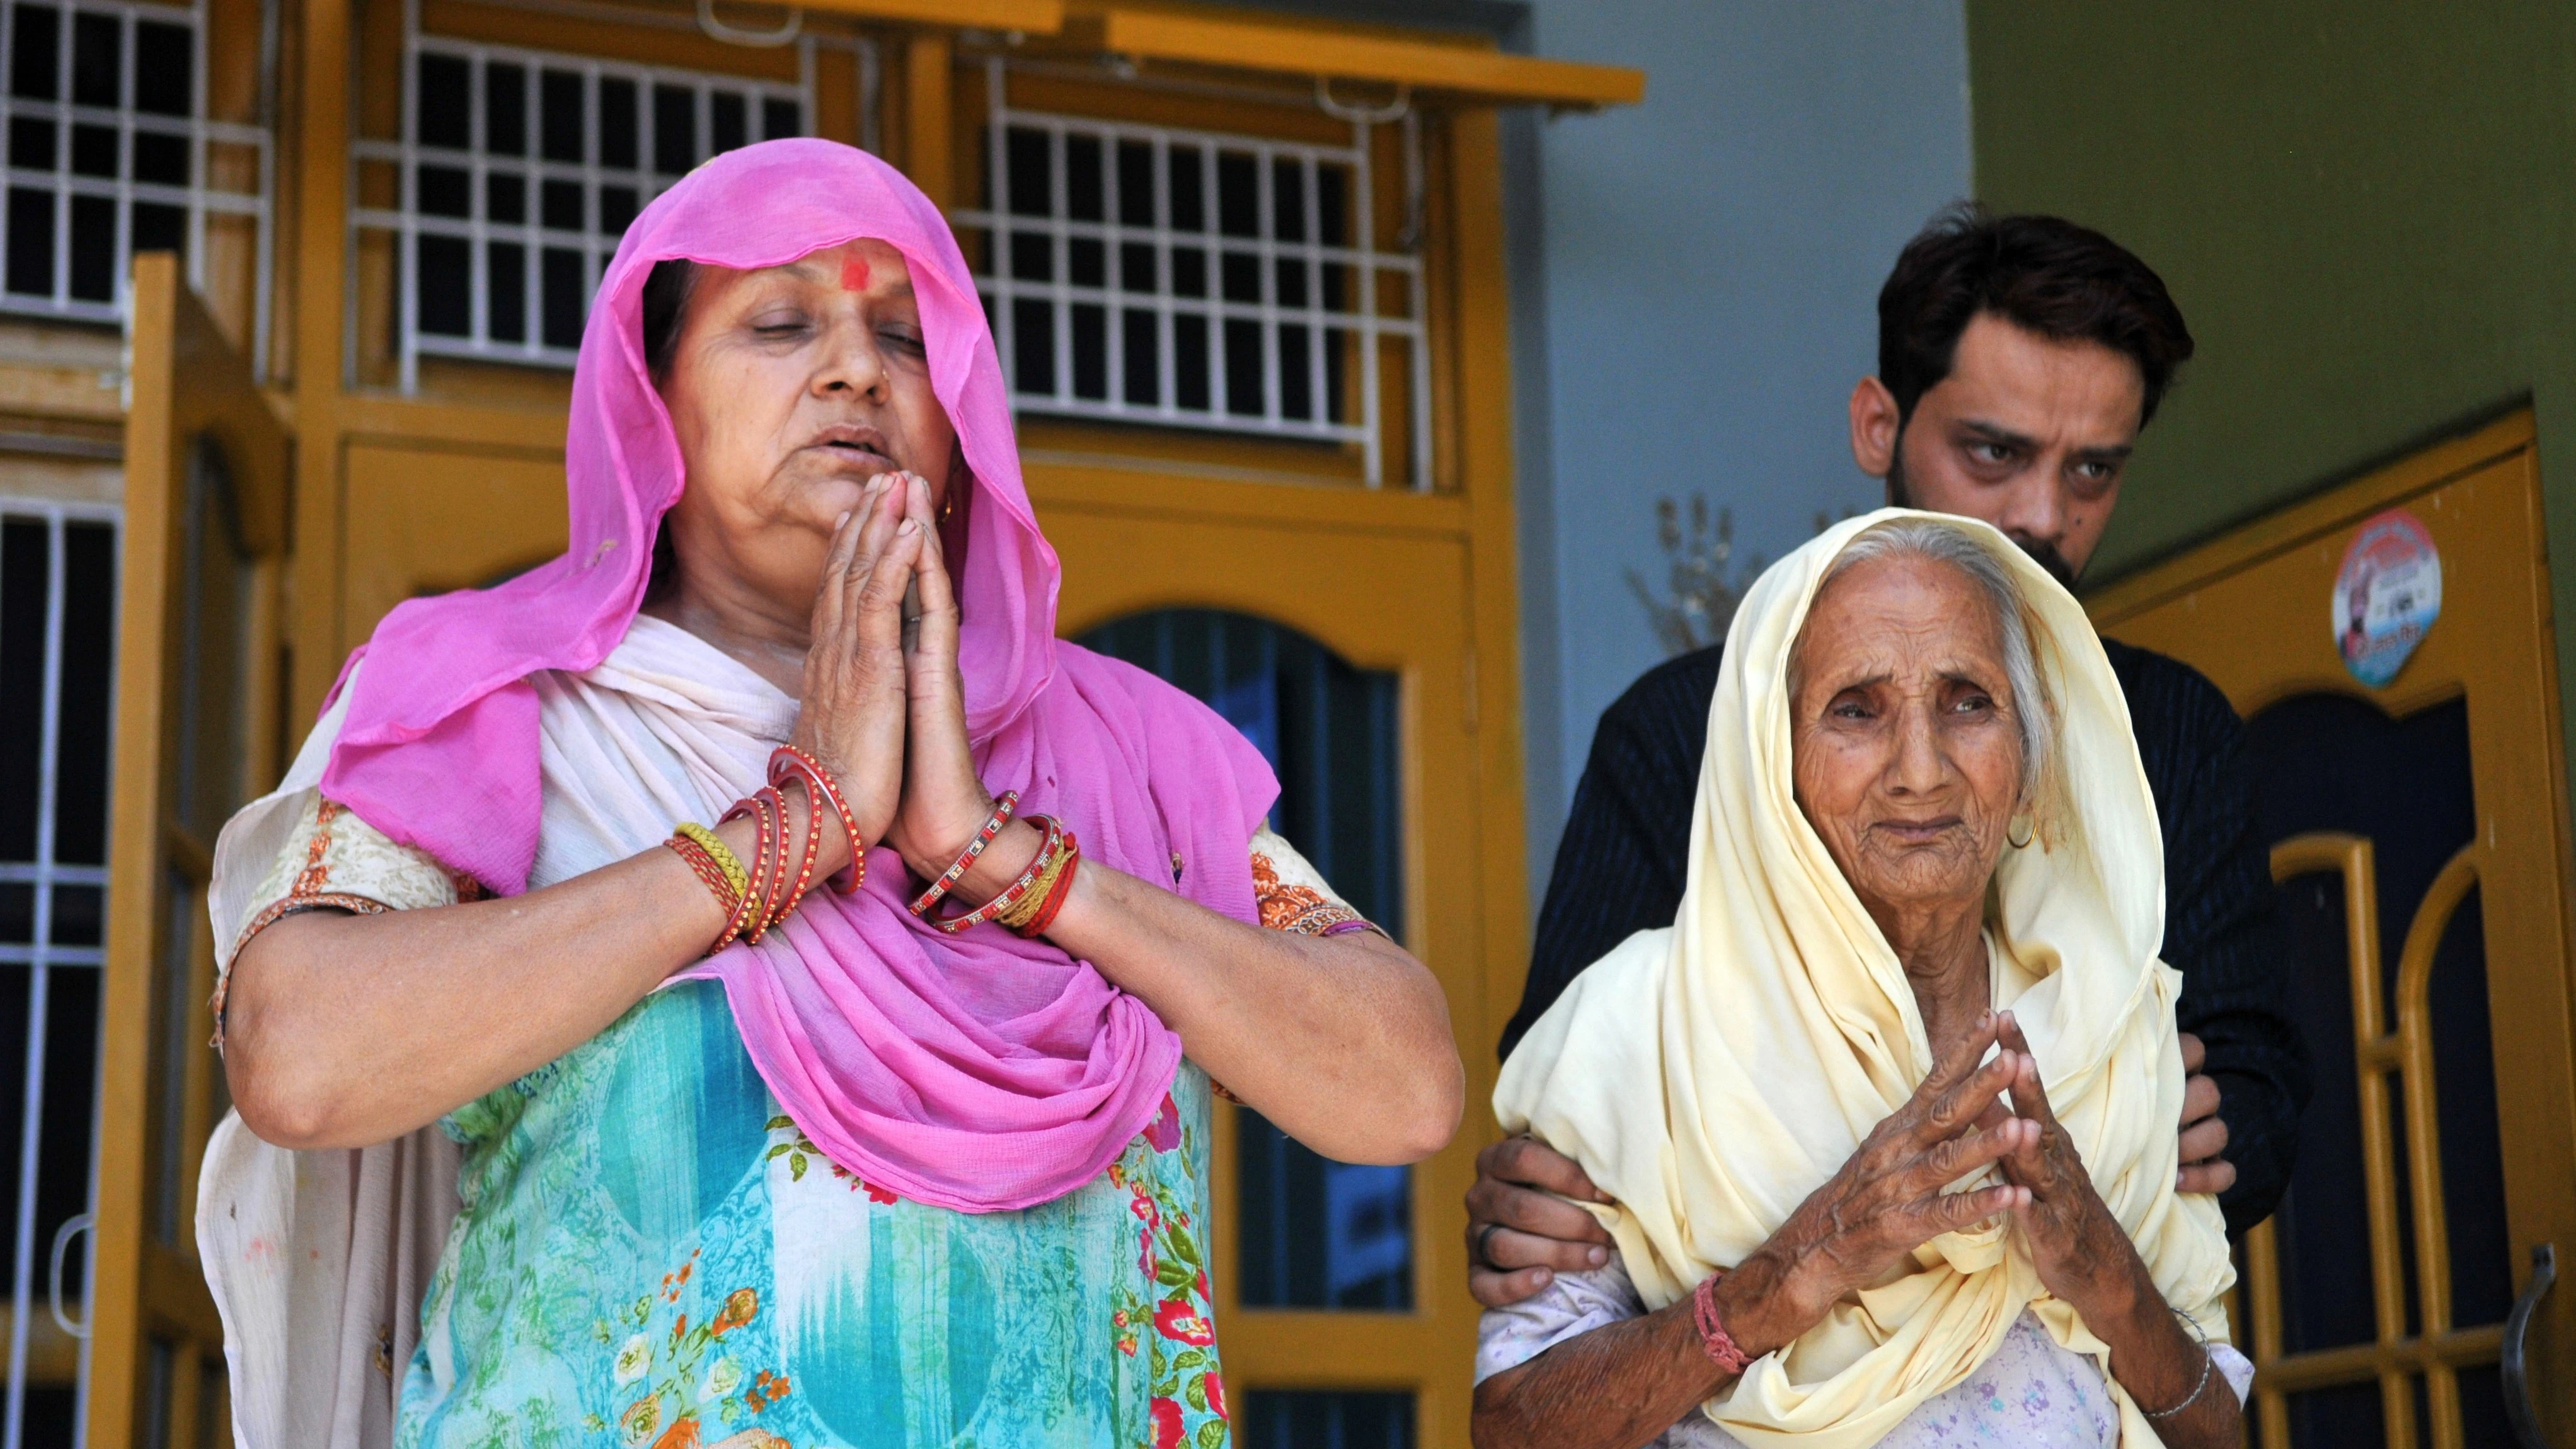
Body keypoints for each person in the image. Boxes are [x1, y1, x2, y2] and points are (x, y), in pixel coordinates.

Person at [195, 139, 1463, 1448]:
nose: (857, 369)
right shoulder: (507, 705)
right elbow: (299, 1059)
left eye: (910, 341)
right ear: (656, 403)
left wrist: (1007, 859)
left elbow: (1401, 1089)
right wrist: (794, 836)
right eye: (781, 323)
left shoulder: (1123, 747)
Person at [1471, 209, 2309, 1309]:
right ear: (1879, 425)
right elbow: (1562, 1118)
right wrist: (1531, 1201)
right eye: (1995, 453)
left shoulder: (2175, 732)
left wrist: (2196, 1121)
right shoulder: (1684, 728)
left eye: (2095, 470)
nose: (2042, 516)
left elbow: (2250, 1093)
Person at [1475, 513, 2251, 1448]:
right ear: (1776, 764)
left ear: (2031, 756)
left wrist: (2116, 1286)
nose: (1920, 771)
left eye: (1969, 700)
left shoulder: (2118, 1033)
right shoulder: (1633, 1035)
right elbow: (1514, 1428)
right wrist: (1800, 1267)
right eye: (1857, 710)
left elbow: (2217, 1433)